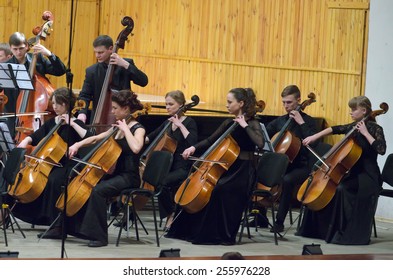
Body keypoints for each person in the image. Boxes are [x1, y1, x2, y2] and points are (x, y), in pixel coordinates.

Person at [166, 87, 265, 245]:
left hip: (243, 171)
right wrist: (193, 148)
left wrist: (244, 125)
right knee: (200, 188)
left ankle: (216, 235)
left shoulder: (253, 123)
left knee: (219, 190)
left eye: (229, 102)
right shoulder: (228, 122)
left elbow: (260, 143)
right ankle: (190, 231)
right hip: (227, 167)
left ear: (241, 103)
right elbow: (210, 140)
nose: (226, 105)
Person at [61, 89, 145, 247]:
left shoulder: (138, 128)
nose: (112, 112)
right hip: (117, 175)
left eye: (115, 108)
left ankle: (99, 237)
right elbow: (95, 139)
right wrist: (77, 144)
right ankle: (75, 229)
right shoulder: (115, 128)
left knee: (98, 191)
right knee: (84, 184)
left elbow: (136, 148)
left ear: (125, 109)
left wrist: (126, 129)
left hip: (130, 177)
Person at [298, 96, 386, 245]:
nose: (350, 112)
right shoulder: (353, 127)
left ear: (364, 111)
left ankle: (343, 234)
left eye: (353, 109)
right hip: (353, 173)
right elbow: (335, 129)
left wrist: (365, 133)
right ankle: (323, 231)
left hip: (368, 176)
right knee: (331, 189)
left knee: (341, 189)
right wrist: (314, 136)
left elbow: (381, 149)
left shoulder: (375, 129)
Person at [7, 87, 89, 227]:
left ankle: (55, 224)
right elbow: (37, 135)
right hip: (50, 163)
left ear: (66, 104)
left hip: (68, 163)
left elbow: (88, 137)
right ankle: (22, 214)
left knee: (53, 180)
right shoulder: (53, 122)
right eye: (54, 103)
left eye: (58, 104)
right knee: (18, 176)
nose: (54, 107)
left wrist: (72, 124)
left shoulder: (76, 123)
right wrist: (25, 141)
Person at [261, 85, 318, 232]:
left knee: (287, 180)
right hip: (283, 165)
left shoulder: (309, 122)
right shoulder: (280, 121)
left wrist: (301, 123)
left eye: (289, 102)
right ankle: (259, 216)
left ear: (299, 100)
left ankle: (279, 222)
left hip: (302, 166)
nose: (286, 106)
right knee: (259, 173)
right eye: (284, 103)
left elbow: (315, 142)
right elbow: (264, 134)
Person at [144, 90, 198, 230]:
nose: (167, 107)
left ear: (181, 105)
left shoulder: (189, 122)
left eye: (171, 104)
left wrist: (180, 125)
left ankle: (171, 213)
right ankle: (170, 212)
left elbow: (193, 142)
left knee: (162, 182)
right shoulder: (167, 123)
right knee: (155, 181)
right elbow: (151, 136)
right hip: (167, 166)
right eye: (166, 104)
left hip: (182, 167)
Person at [3, 32, 66, 137]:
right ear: (10, 48)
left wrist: (49, 54)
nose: (18, 52)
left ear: (27, 46)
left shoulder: (38, 59)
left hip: (34, 115)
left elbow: (60, 71)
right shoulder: (6, 66)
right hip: (12, 114)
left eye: (21, 48)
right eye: (15, 49)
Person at [76, 35, 148, 124]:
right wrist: (82, 113)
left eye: (101, 52)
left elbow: (143, 81)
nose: (97, 55)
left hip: (124, 118)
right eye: (95, 52)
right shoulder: (92, 71)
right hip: (100, 118)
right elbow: (85, 95)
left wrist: (126, 65)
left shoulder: (125, 64)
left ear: (110, 49)